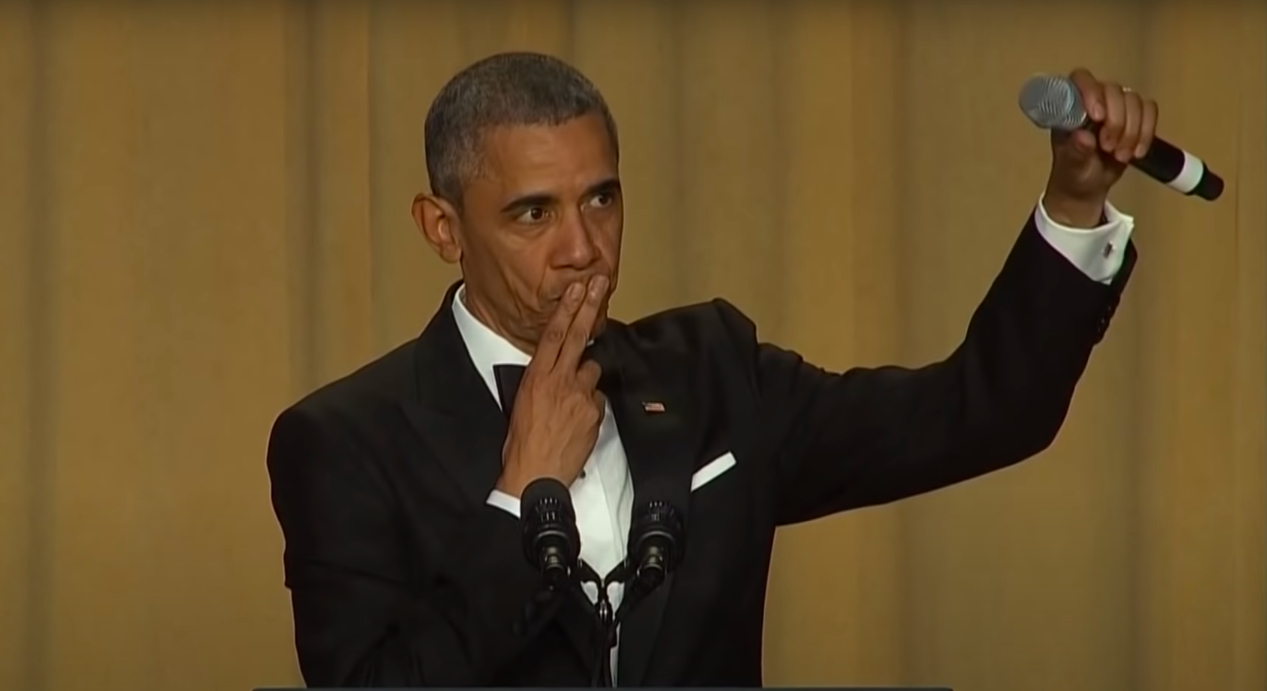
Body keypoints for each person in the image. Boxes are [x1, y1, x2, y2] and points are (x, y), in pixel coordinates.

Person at [266, 51, 1155, 687]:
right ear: (443, 229)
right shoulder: (344, 440)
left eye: (601, 199)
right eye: (533, 214)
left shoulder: (711, 375)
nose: (583, 249)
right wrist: (520, 497)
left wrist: (1074, 203)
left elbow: (977, 414)